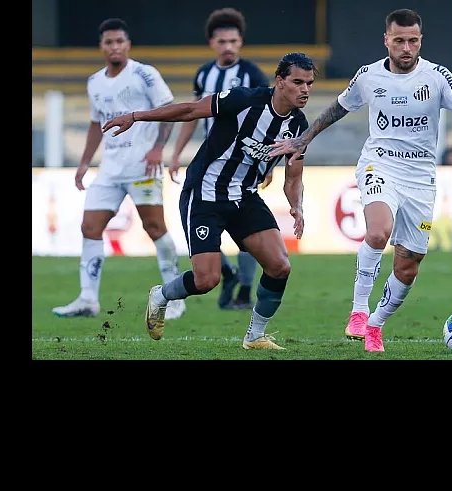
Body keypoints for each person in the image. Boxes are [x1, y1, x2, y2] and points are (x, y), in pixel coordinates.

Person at [268, 9, 452, 353]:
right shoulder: (368, 76)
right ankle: (358, 311)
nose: (406, 47)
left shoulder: (437, 77)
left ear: (420, 41)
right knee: (377, 231)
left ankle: (375, 324)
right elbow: (338, 108)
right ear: (386, 39)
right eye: (399, 40)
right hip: (379, 164)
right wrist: (304, 139)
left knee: (409, 263)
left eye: (412, 41)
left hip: (421, 178)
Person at [101, 52, 314, 350]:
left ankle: (255, 336)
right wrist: (136, 116)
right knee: (206, 280)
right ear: (280, 82)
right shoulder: (243, 100)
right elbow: (189, 110)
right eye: (298, 82)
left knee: (280, 266)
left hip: (245, 197)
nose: (305, 89)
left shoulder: (299, 126)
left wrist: (296, 204)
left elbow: (293, 176)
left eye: (309, 83)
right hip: (205, 193)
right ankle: (161, 295)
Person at [52, 18, 184, 319]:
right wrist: (85, 162)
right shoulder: (95, 81)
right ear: (101, 46)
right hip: (110, 169)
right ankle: (87, 299)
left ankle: (175, 297)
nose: (115, 47)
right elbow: (96, 124)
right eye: (109, 42)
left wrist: (158, 148)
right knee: (90, 228)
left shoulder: (145, 74)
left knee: (154, 228)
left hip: (142, 166)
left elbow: (169, 109)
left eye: (120, 41)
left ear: (128, 44)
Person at [170, 8, 268, 311]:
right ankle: (226, 272)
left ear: (240, 42)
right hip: (209, 164)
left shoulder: (252, 74)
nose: (228, 46)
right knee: (201, 228)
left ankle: (244, 291)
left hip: (244, 165)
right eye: (222, 41)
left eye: (233, 41)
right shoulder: (203, 74)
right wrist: (176, 153)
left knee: (249, 228)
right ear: (212, 42)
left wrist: (266, 163)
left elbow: (268, 117)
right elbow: (192, 114)